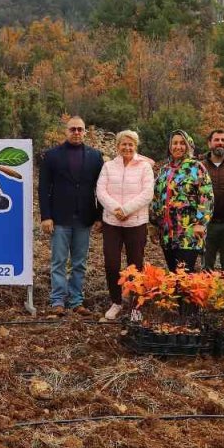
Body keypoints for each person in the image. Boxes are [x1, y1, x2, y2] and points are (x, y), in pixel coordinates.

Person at [38, 116, 104, 316]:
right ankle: (57, 300)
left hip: (84, 217)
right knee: (58, 261)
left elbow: (100, 188)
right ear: (66, 131)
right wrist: (46, 216)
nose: (76, 132)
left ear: (85, 132)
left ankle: (76, 300)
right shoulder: (51, 156)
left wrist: (100, 216)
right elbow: (43, 188)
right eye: (72, 129)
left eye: (80, 129)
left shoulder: (95, 157)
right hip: (59, 218)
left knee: (79, 262)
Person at [96, 130, 154, 320]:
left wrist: (127, 209)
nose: (127, 147)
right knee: (112, 263)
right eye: (123, 144)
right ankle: (116, 302)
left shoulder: (144, 167)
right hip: (112, 223)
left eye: (131, 144)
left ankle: (136, 305)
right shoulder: (109, 166)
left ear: (135, 146)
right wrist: (116, 209)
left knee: (135, 265)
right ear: (117, 146)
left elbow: (147, 193)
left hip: (136, 223)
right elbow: (100, 190)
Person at [150, 130, 213, 272]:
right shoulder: (164, 170)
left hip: (188, 233)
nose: (178, 146)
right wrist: (153, 225)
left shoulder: (196, 168)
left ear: (189, 146)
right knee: (173, 275)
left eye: (182, 143)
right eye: (175, 143)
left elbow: (207, 197)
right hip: (167, 234)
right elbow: (156, 198)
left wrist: (201, 223)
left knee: (184, 274)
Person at [201, 130, 224, 271]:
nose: (220, 143)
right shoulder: (199, 167)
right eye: (217, 140)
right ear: (209, 143)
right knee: (206, 267)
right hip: (206, 225)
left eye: (223, 140)